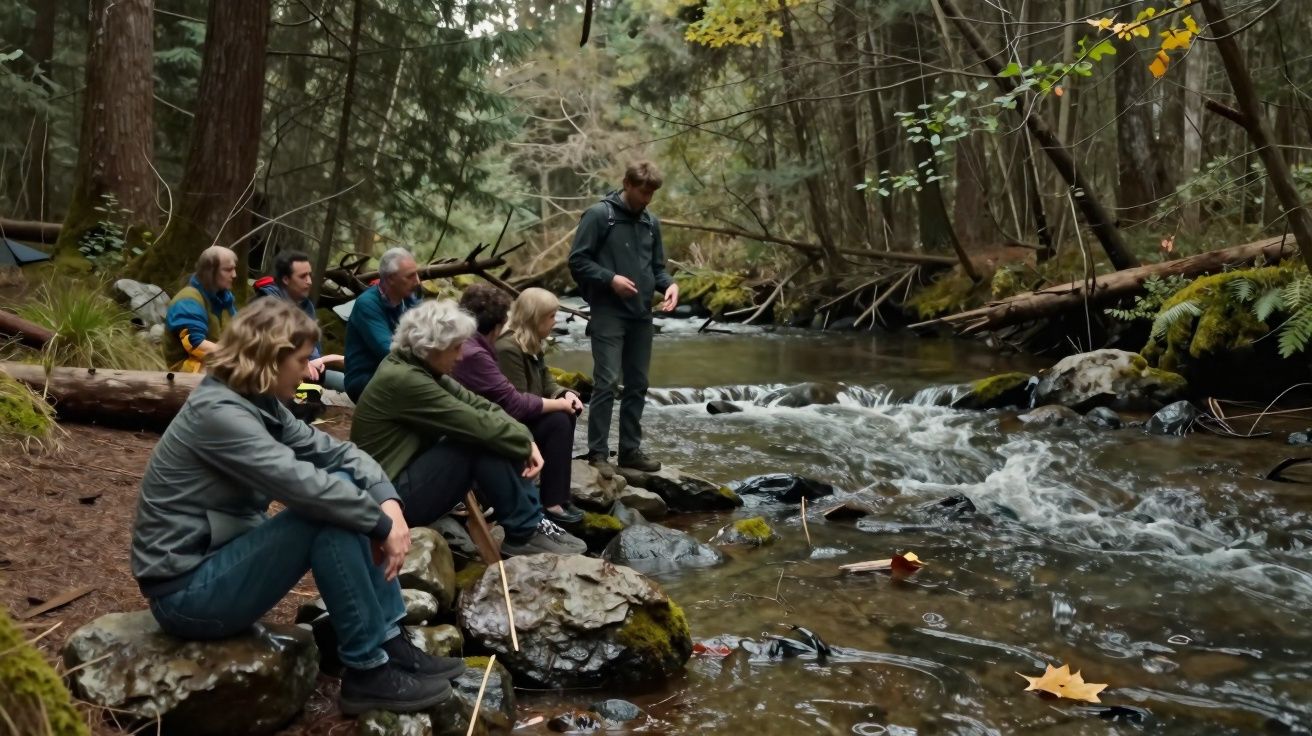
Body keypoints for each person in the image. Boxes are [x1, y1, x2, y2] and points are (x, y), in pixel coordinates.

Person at [130, 298, 461, 717]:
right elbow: (303, 485)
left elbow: (336, 453)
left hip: (220, 568)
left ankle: (389, 643)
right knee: (329, 509)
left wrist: (389, 502)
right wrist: (380, 524)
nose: (309, 372)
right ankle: (366, 671)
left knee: (343, 493)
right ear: (272, 357)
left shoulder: (256, 401)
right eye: (303, 360)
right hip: (187, 597)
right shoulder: (219, 415)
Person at [350, 299, 586, 557]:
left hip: (400, 483)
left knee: (492, 433)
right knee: (475, 441)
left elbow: (482, 406)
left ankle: (530, 521)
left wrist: (526, 439)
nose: (461, 355)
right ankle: (525, 530)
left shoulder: (417, 367)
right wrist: (523, 441)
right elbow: (477, 424)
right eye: (456, 347)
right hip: (386, 502)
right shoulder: (405, 380)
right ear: (432, 348)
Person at [568, 160, 679, 478]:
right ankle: (598, 454)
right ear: (627, 184)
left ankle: (630, 451)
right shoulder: (600, 216)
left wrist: (669, 285)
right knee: (606, 382)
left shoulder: (651, 223)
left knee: (638, 384)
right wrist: (610, 278)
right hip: (607, 312)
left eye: (652, 194)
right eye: (643, 191)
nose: (647, 199)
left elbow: (657, 268)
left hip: (641, 314)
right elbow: (577, 260)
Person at [452, 284, 584, 525]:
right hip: (511, 423)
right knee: (559, 420)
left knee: (564, 415)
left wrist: (565, 394)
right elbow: (517, 402)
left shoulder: (533, 343)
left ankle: (557, 497)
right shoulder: (507, 348)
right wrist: (560, 406)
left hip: (522, 417)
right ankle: (550, 502)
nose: (556, 321)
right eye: (551, 316)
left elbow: (547, 382)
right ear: (536, 318)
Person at [254, 249, 346, 392]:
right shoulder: (267, 306)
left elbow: (313, 351)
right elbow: (276, 354)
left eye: (310, 275)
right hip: (272, 378)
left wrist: (319, 360)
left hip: (309, 372)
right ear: (285, 279)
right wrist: (322, 360)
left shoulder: (305, 305)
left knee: (351, 385)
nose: (309, 281)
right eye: (303, 276)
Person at [344, 247, 421, 402]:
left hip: (397, 374)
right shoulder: (367, 304)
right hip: (366, 380)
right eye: (410, 276)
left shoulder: (409, 300)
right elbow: (389, 352)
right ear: (391, 278)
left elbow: (426, 335)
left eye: (417, 274)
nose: (417, 281)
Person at [164, 245, 238, 372]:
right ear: (209, 272)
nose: (234, 275)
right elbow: (195, 344)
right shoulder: (188, 301)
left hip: (216, 360)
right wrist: (239, 358)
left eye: (234, 269)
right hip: (188, 369)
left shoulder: (224, 299)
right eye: (228, 270)